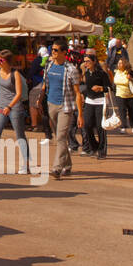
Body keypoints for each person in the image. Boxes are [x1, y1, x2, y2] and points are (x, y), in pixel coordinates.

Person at [0, 52, 31, 174]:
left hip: (15, 107)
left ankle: (26, 164)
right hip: (0, 106)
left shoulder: (15, 74)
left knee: (20, 136)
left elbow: (18, 93)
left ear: (8, 61)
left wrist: (10, 106)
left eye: (1, 60)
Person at [45, 40, 81, 180]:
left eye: (55, 50)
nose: (52, 52)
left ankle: (57, 168)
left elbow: (77, 93)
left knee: (60, 137)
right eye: (52, 50)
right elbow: (46, 84)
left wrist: (80, 115)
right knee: (59, 137)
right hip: (51, 104)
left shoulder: (71, 69)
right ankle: (67, 165)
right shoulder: (49, 66)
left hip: (65, 106)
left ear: (64, 52)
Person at [78, 52, 110, 159]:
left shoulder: (102, 74)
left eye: (88, 61)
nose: (86, 63)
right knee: (86, 125)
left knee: (100, 127)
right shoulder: (86, 73)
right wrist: (83, 95)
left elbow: (110, 87)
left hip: (100, 101)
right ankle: (94, 146)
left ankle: (102, 151)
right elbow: (86, 87)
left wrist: (101, 88)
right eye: (85, 61)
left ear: (94, 62)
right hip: (89, 101)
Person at [112, 57, 133, 133]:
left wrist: (131, 79)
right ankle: (123, 127)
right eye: (118, 63)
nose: (119, 64)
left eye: (121, 63)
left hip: (131, 96)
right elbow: (114, 83)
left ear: (125, 64)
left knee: (131, 111)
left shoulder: (130, 72)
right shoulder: (116, 72)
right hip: (119, 95)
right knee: (122, 111)